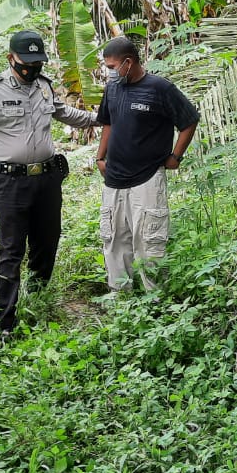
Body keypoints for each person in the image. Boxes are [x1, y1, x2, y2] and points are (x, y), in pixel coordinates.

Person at [0, 29, 99, 338]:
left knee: (47, 242)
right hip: (10, 181)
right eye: (27, 62)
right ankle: (6, 322)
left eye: (38, 63)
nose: (33, 68)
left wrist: (98, 118)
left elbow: (65, 113)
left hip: (47, 179)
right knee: (11, 249)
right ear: (11, 59)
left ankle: (37, 300)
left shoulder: (44, 87)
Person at [95, 36, 199, 292]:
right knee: (115, 239)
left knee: (148, 241)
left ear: (128, 63)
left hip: (148, 177)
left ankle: (154, 300)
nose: (108, 73)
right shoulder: (112, 89)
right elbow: (107, 122)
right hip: (115, 178)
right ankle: (121, 298)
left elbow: (189, 121)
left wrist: (175, 157)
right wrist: (100, 156)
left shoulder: (159, 88)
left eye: (112, 67)